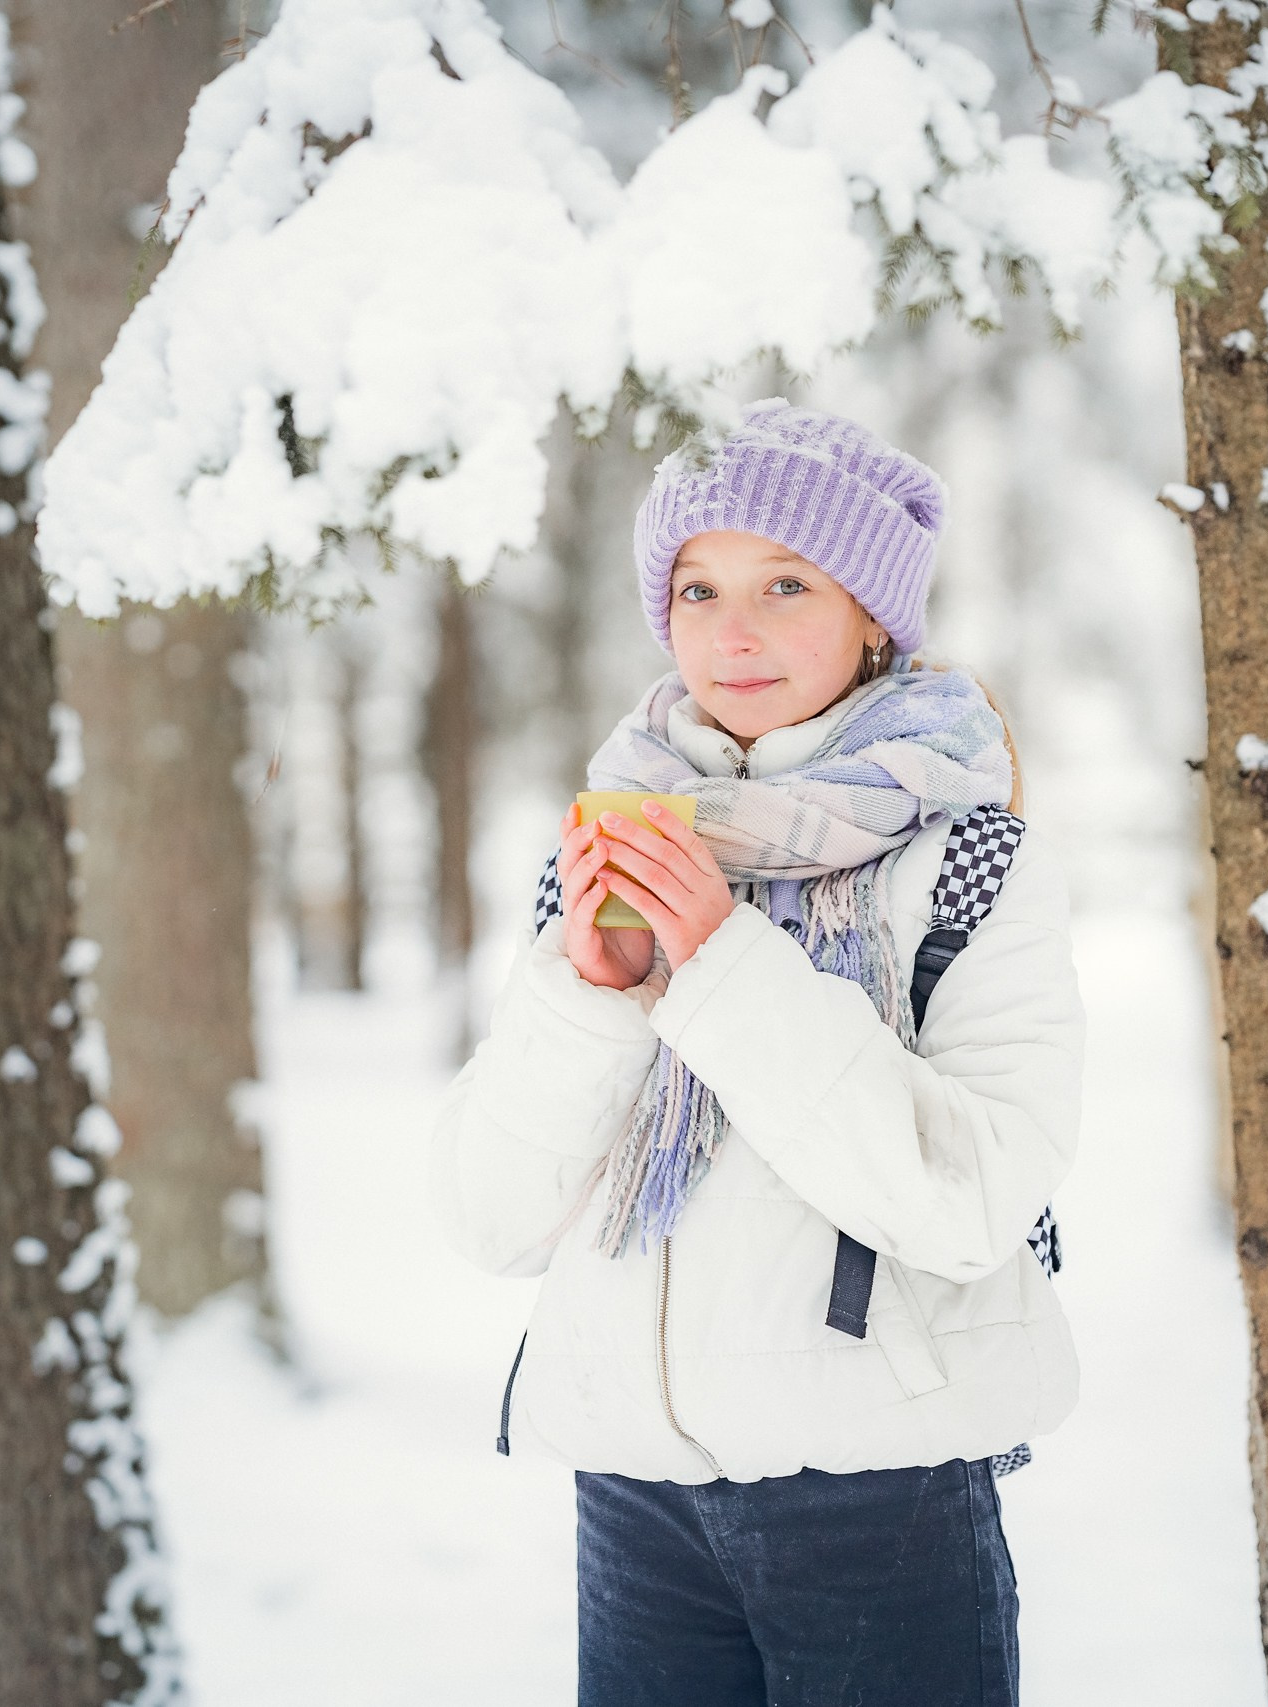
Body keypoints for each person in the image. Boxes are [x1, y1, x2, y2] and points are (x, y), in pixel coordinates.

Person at [430, 399, 1084, 1707]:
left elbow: (968, 1205)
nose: (734, 628)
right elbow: (492, 1219)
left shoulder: (965, 856)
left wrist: (722, 963)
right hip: (635, 1505)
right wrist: (601, 991)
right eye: (698, 584)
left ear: (873, 619)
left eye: (788, 583)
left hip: (881, 1500)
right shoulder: (612, 841)